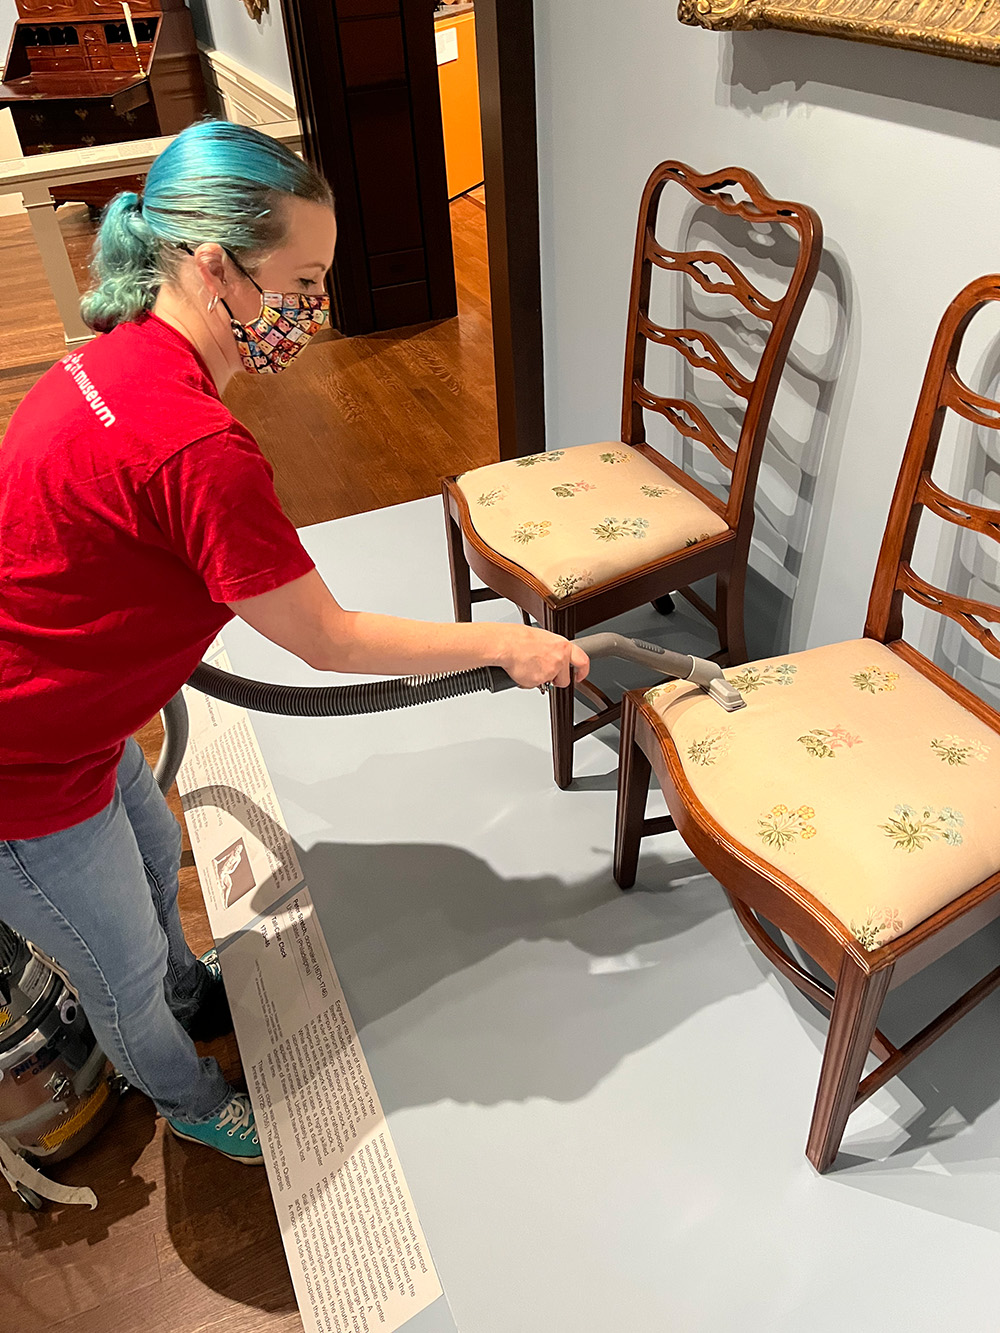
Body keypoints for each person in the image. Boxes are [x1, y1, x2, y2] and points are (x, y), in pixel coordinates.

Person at [0, 120, 589, 1165]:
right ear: (214, 265)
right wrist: (504, 649)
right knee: (116, 964)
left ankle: (190, 990)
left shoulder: (109, 365)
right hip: (23, 775)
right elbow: (327, 639)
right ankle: (183, 1092)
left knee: (147, 858)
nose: (311, 309)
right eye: (302, 281)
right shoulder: (194, 447)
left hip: (70, 725)